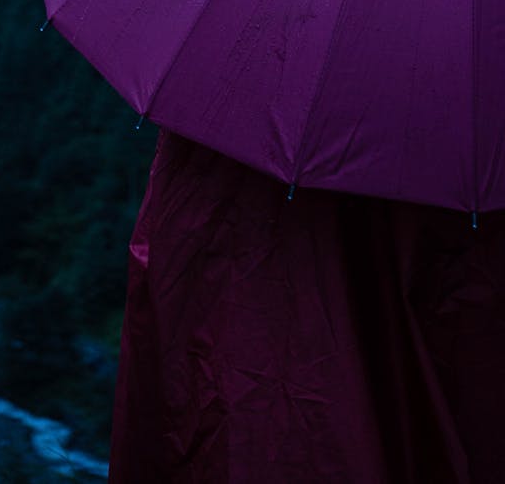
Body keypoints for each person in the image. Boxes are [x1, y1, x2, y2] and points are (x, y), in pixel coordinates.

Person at [110, 129, 505, 484]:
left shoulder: (228, 97)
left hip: (250, 374)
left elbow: (169, 253)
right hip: (284, 373)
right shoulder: (473, 140)